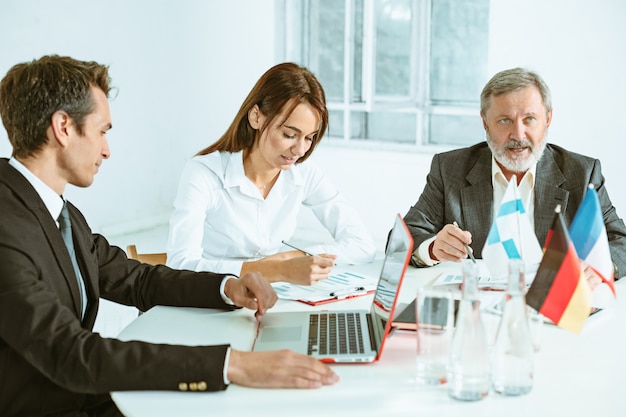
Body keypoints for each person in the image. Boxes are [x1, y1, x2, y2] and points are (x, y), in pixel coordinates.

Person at [0, 55, 338, 417]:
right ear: (64, 127)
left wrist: (226, 287)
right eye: (102, 131)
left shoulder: (58, 211)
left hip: (83, 395)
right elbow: (71, 353)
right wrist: (231, 364)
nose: (107, 150)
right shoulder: (8, 225)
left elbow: (136, 278)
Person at [400, 67, 626, 286]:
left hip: (552, 311)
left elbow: (621, 242)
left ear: (547, 119)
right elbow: (402, 238)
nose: (518, 135)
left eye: (529, 119)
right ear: (485, 122)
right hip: (477, 309)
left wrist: (601, 268)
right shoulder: (450, 169)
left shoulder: (582, 172)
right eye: (505, 120)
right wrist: (432, 248)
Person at [166, 62, 376, 286]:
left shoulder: (304, 174)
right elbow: (180, 264)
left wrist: (294, 259)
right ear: (256, 117)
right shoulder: (204, 173)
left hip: (270, 297)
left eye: (309, 137)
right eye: (289, 134)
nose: (300, 150)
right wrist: (275, 269)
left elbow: (362, 245)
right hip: (211, 298)